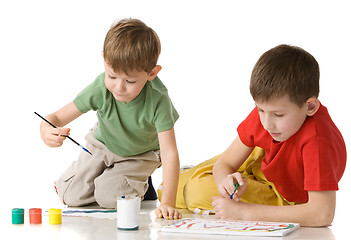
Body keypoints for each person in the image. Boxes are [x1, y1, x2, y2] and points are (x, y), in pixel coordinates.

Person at [165, 44, 346, 226]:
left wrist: (244, 212)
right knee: (172, 185)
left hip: (286, 194)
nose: (267, 123)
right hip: (262, 159)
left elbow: (322, 214)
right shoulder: (270, 115)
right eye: (260, 110)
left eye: (278, 115)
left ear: (310, 107)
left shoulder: (317, 141)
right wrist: (225, 182)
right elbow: (225, 163)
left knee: (193, 191)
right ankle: (194, 173)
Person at [39, 18, 181, 219]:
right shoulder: (100, 88)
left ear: (152, 73)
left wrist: (167, 202)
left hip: (139, 154)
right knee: (70, 195)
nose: (119, 87)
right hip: (102, 144)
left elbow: (170, 153)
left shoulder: (158, 99)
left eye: (130, 81)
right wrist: (46, 130)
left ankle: (139, 182)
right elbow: (56, 117)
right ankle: (118, 180)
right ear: (104, 59)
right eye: (112, 76)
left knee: (109, 198)